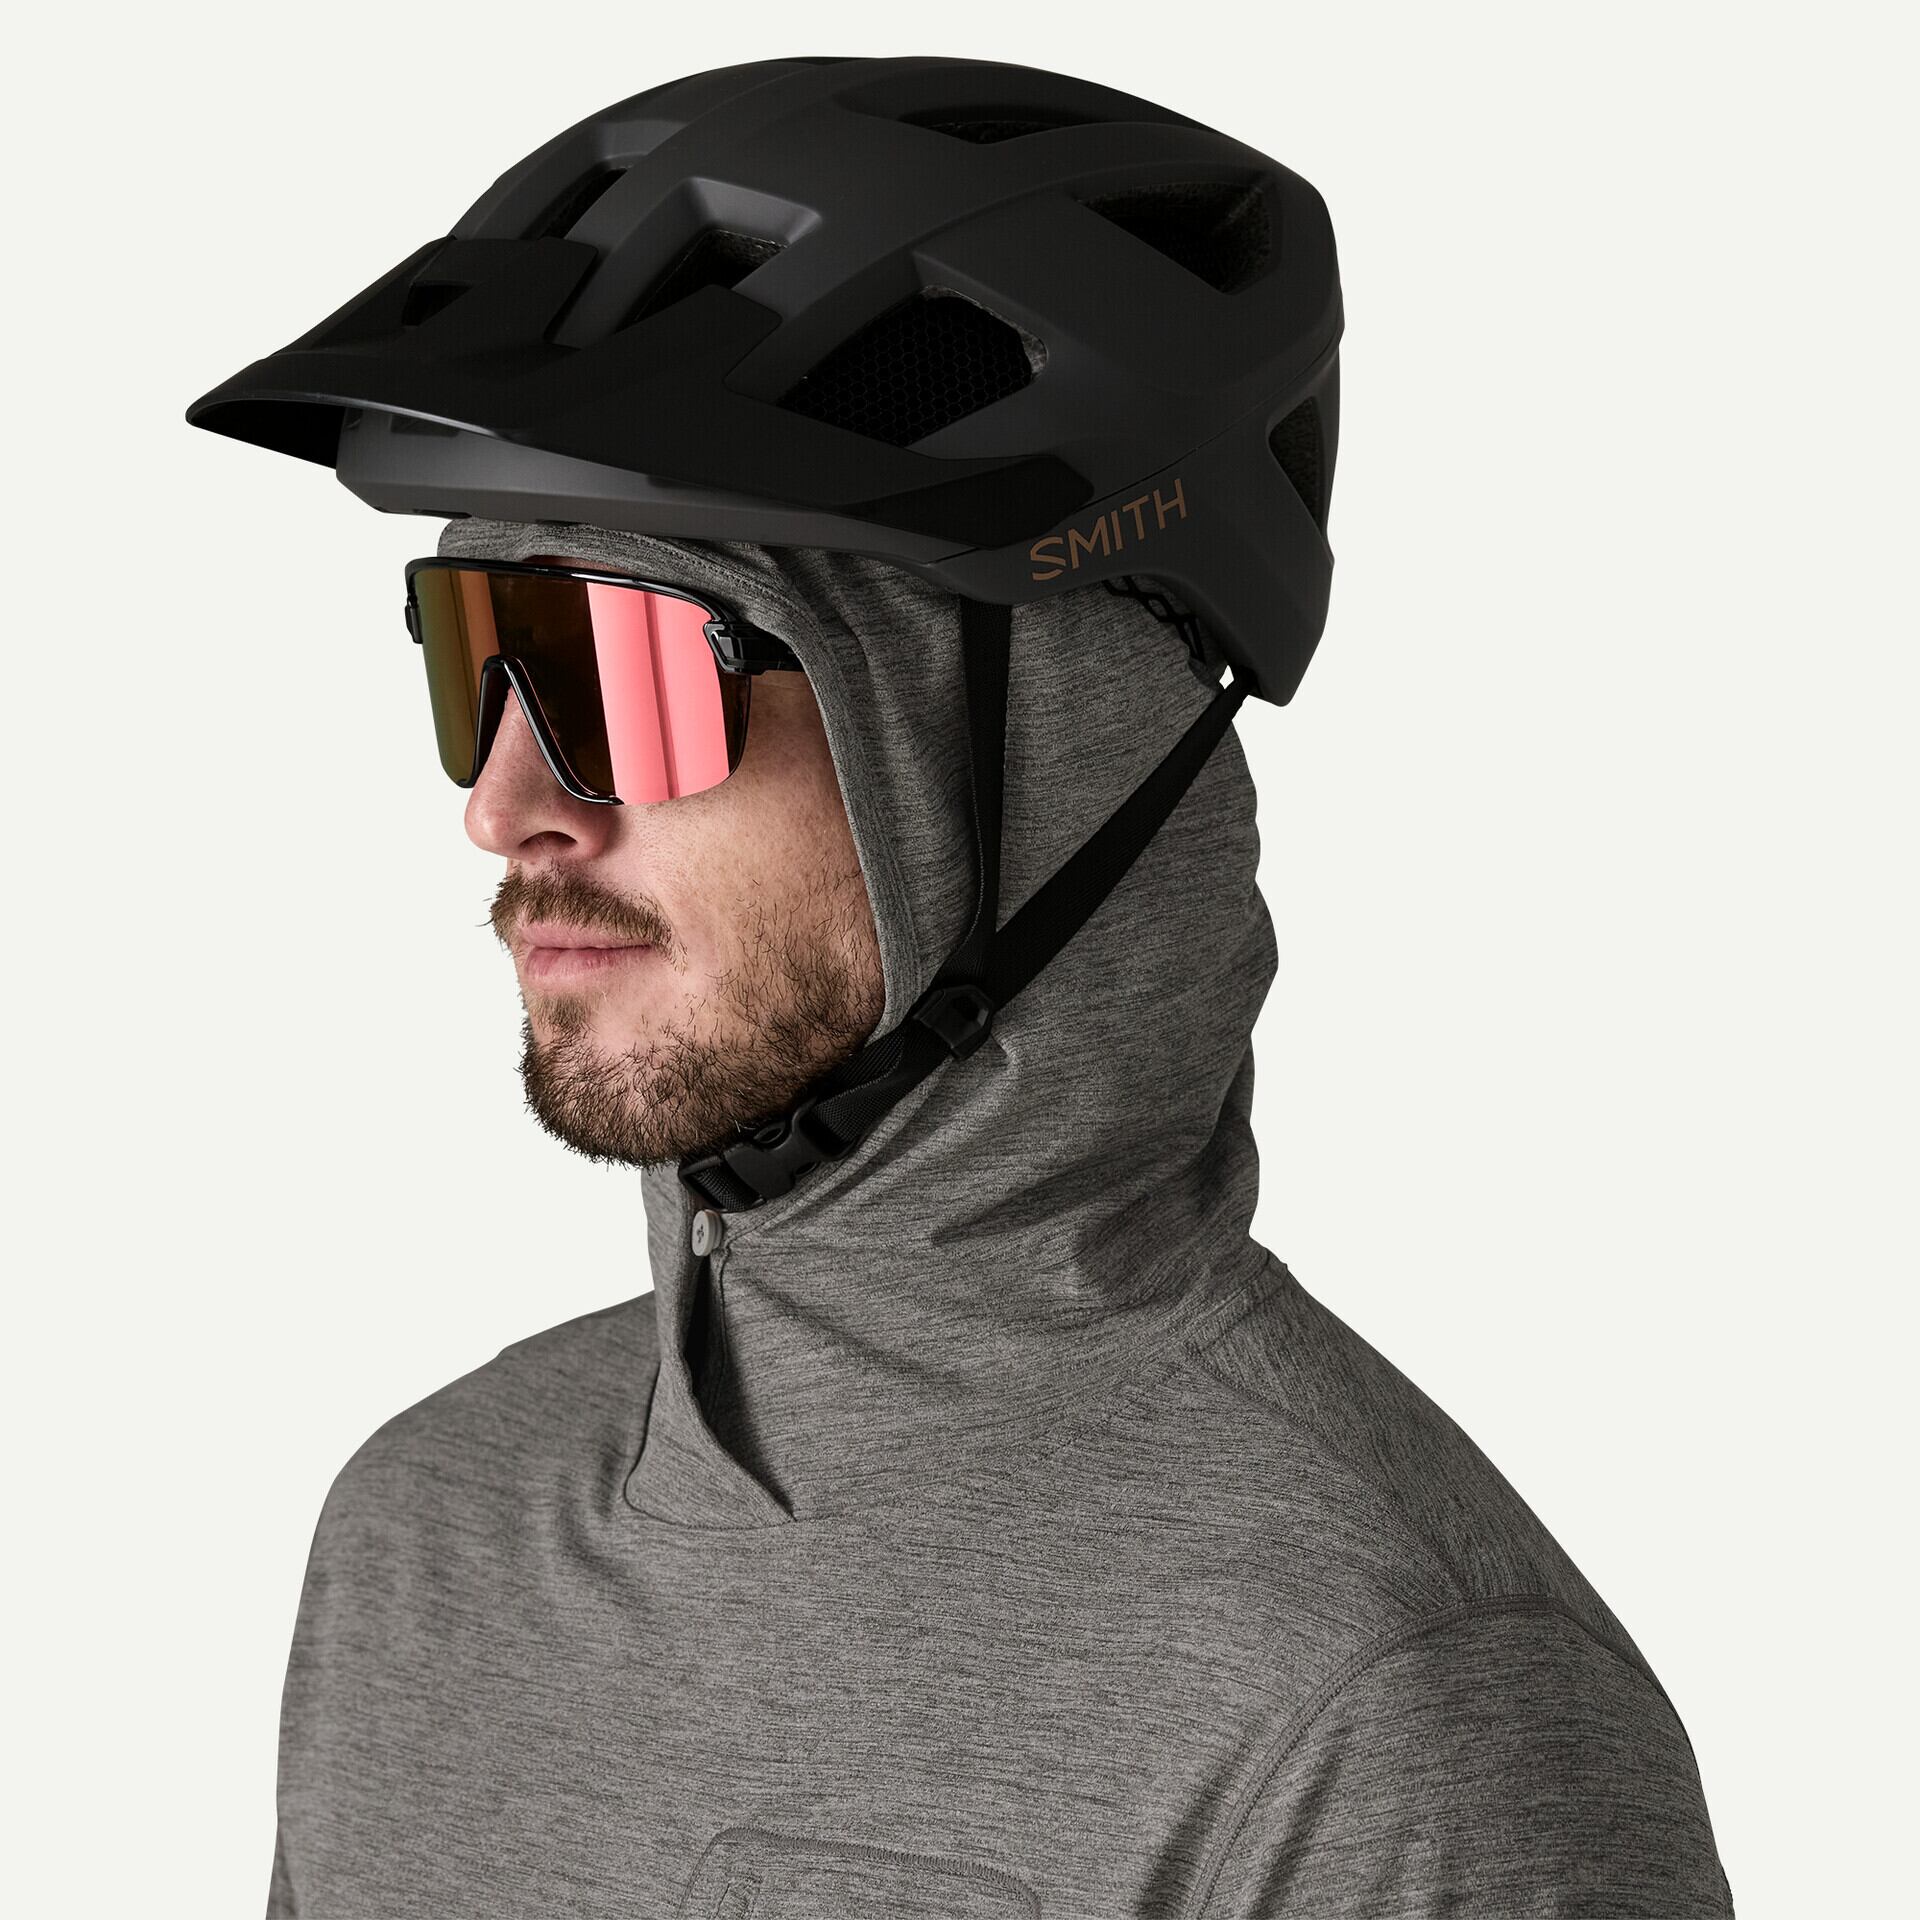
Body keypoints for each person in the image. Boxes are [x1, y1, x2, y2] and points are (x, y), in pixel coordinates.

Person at [188, 55, 1735, 1920]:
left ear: (1040, 755)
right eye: (476, 660)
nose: (507, 807)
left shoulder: (1395, 1712)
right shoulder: (423, 1540)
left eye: (625, 675)